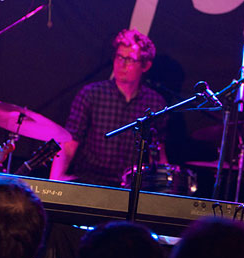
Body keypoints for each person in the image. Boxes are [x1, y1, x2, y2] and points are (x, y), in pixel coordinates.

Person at [50, 29, 166, 187]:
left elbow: (158, 153)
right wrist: (54, 182)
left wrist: (163, 186)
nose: (121, 64)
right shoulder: (92, 94)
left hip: (130, 187)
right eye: (119, 57)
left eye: (130, 59)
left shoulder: (155, 103)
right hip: (89, 182)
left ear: (145, 66)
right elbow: (69, 143)